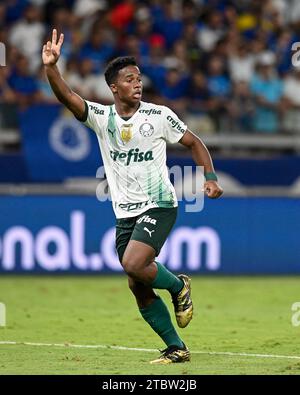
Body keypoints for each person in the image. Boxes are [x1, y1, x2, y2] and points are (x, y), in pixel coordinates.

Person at [43, 29, 223, 364]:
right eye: (129, 79)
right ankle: (176, 348)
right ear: (114, 87)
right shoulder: (102, 118)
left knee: (133, 263)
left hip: (160, 205)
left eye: (139, 78)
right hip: (125, 213)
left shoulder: (159, 116)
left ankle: (178, 286)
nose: (138, 83)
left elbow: (195, 142)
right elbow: (67, 96)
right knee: (136, 282)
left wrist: (209, 178)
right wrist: (52, 68)